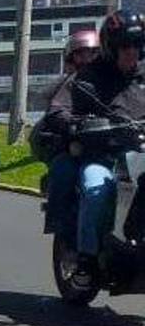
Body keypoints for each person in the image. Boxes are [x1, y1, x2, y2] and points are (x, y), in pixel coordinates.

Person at [44, 10, 145, 285]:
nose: (132, 53)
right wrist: (76, 123)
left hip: (142, 153)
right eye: (125, 46)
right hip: (105, 155)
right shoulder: (88, 78)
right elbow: (57, 110)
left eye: (137, 45)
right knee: (95, 187)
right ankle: (86, 260)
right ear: (112, 48)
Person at [39, 30, 100, 232]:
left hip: (111, 144)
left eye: (92, 53)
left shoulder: (110, 79)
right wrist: (73, 122)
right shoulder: (68, 84)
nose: (87, 58)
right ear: (71, 57)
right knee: (64, 170)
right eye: (81, 54)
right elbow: (56, 110)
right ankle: (58, 221)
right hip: (77, 145)